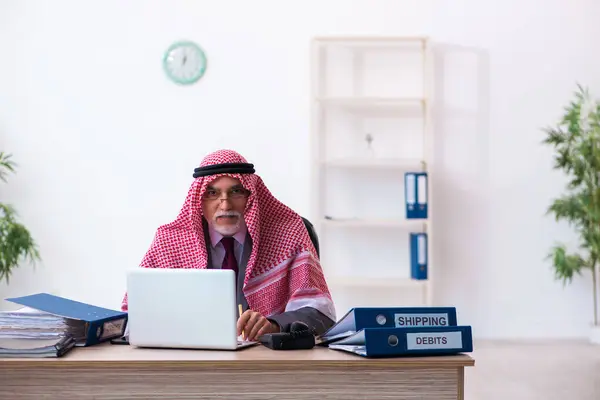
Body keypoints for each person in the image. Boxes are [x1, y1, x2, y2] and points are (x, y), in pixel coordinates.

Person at [120, 149, 336, 341]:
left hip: (266, 363)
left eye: (236, 191)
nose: (225, 204)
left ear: (251, 195)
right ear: (199, 200)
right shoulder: (169, 242)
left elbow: (320, 313)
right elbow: (134, 318)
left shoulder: (288, 234)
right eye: (212, 193)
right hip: (188, 362)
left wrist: (274, 325)